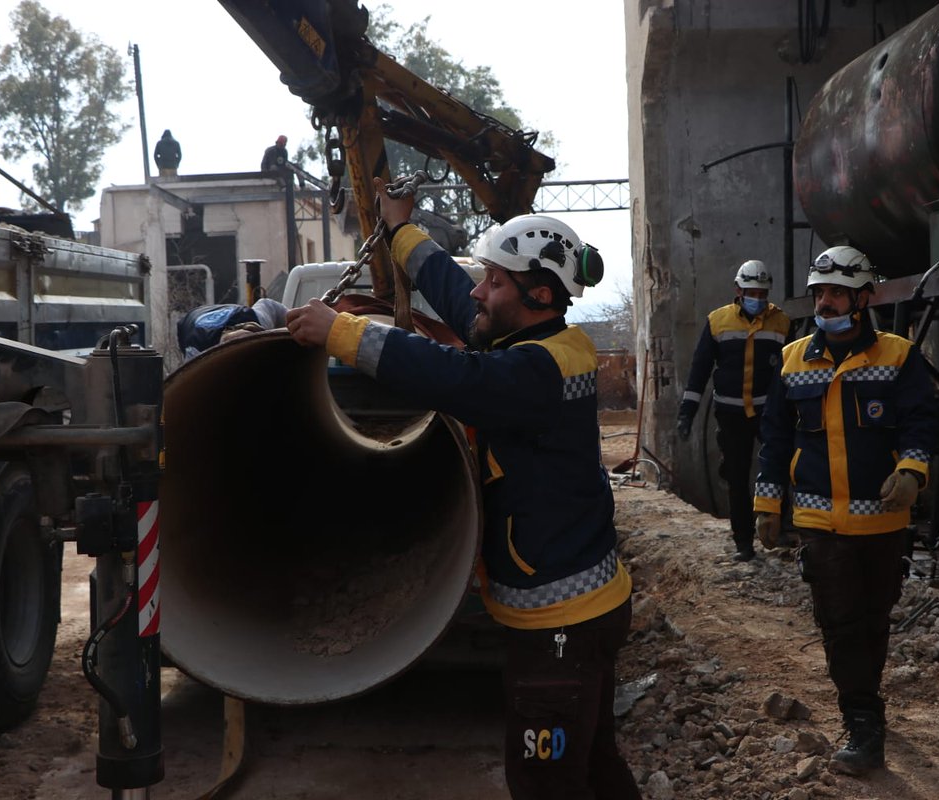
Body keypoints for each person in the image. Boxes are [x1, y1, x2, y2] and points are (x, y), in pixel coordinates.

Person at [286, 177, 642, 800]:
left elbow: (451, 375)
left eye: (494, 282)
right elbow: (456, 295)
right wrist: (400, 230)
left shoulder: (541, 368)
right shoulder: (529, 338)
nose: (479, 290)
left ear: (536, 292)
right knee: (594, 765)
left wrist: (340, 332)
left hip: (560, 625)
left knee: (545, 781)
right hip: (576, 611)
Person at [752, 245, 939, 776]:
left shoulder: (898, 357)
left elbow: (920, 421)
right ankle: (862, 723)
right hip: (820, 521)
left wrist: (912, 470)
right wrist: (768, 505)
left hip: (883, 521)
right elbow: (773, 439)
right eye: (819, 293)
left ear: (863, 297)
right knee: (839, 622)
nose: (826, 303)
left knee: (874, 619)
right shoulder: (792, 361)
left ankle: (865, 699)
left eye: (836, 292)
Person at [676, 260, 791, 561]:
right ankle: (743, 542)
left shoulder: (781, 323)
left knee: (779, 469)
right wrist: (687, 412)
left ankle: (782, 529)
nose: (757, 298)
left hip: (768, 413)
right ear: (738, 290)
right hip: (731, 416)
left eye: (762, 293)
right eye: (751, 291)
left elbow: (791, 372)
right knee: (737, 478)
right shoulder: (718, 322)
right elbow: (699, 370)